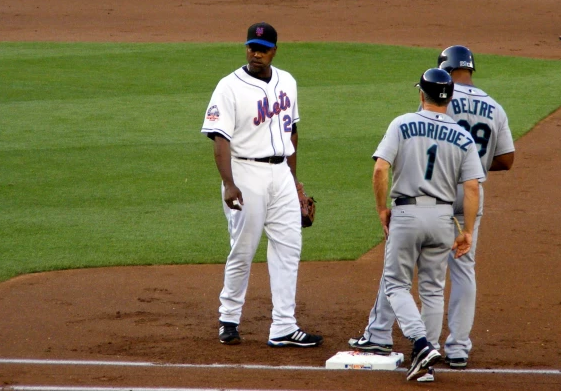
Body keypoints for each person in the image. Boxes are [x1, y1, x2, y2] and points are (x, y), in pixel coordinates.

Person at [349, 46, 514, 379]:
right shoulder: (486, 113)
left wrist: (382, 208)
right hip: (459, 199)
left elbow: (384, 166)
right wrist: (466, 223)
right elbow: (504, 161)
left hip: (417, 200)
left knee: (396, 276)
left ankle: (394, 337)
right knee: (446, 280)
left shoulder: (409, 120)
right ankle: (454, 349)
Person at [201, 22, 322, 348]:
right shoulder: (228, 87)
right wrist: (228, 184)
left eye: (263, 48)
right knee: (243, 248)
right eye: (251, 46)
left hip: (280, 173)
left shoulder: (288, 82)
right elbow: (219, 140)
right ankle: (229, 318)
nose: (256, 52)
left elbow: (293, 133)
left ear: (274, 51)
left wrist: (294, 183)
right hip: (245, 174)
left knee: (289, 247)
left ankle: (284, 326)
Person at [367, 68, 484, 381]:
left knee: (395, 284)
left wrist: (381, 208)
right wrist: (468, 231)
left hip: (407, 215)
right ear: (449, 98)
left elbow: (380, 169)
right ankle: (426, 361)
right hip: (444, 219)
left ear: (422, 94)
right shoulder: (462, 135)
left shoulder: (402, 123)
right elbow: (472, 188)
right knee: (432, 289)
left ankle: (420, 343)